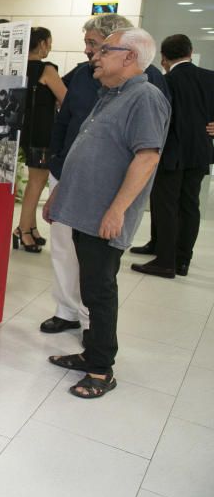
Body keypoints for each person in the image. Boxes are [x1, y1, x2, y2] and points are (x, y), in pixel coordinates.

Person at [43, 27, 170, 399]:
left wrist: (117, 210)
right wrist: (59, 195)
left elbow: (147, 157)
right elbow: (84, 147)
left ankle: (101, 369)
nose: (95, 55)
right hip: (82, 209)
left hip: (104, 216)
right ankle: (91, 353)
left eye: (105, 50)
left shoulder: (145, 97)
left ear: (130, 56)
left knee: (99, 290)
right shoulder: (108, 94)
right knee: (89, 287)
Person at [131, 34, 214, 278]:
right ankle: (181, 259)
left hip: (170, 151)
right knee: (189, 205)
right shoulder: (210, 78)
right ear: (191, 51)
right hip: (200, 152)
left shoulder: (164, 80)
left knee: (165, 205)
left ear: (163, 57)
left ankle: (165, 260)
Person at [14, 27, 66, 252]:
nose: (50, 47)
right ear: (43, 44)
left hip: (23, 130)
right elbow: (67, 99)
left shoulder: (17, 68)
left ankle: (31, 228)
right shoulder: (47, 69)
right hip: (43, 132)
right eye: (50, 42)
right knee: (37, 182)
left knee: (35, 180)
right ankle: (23, 230)